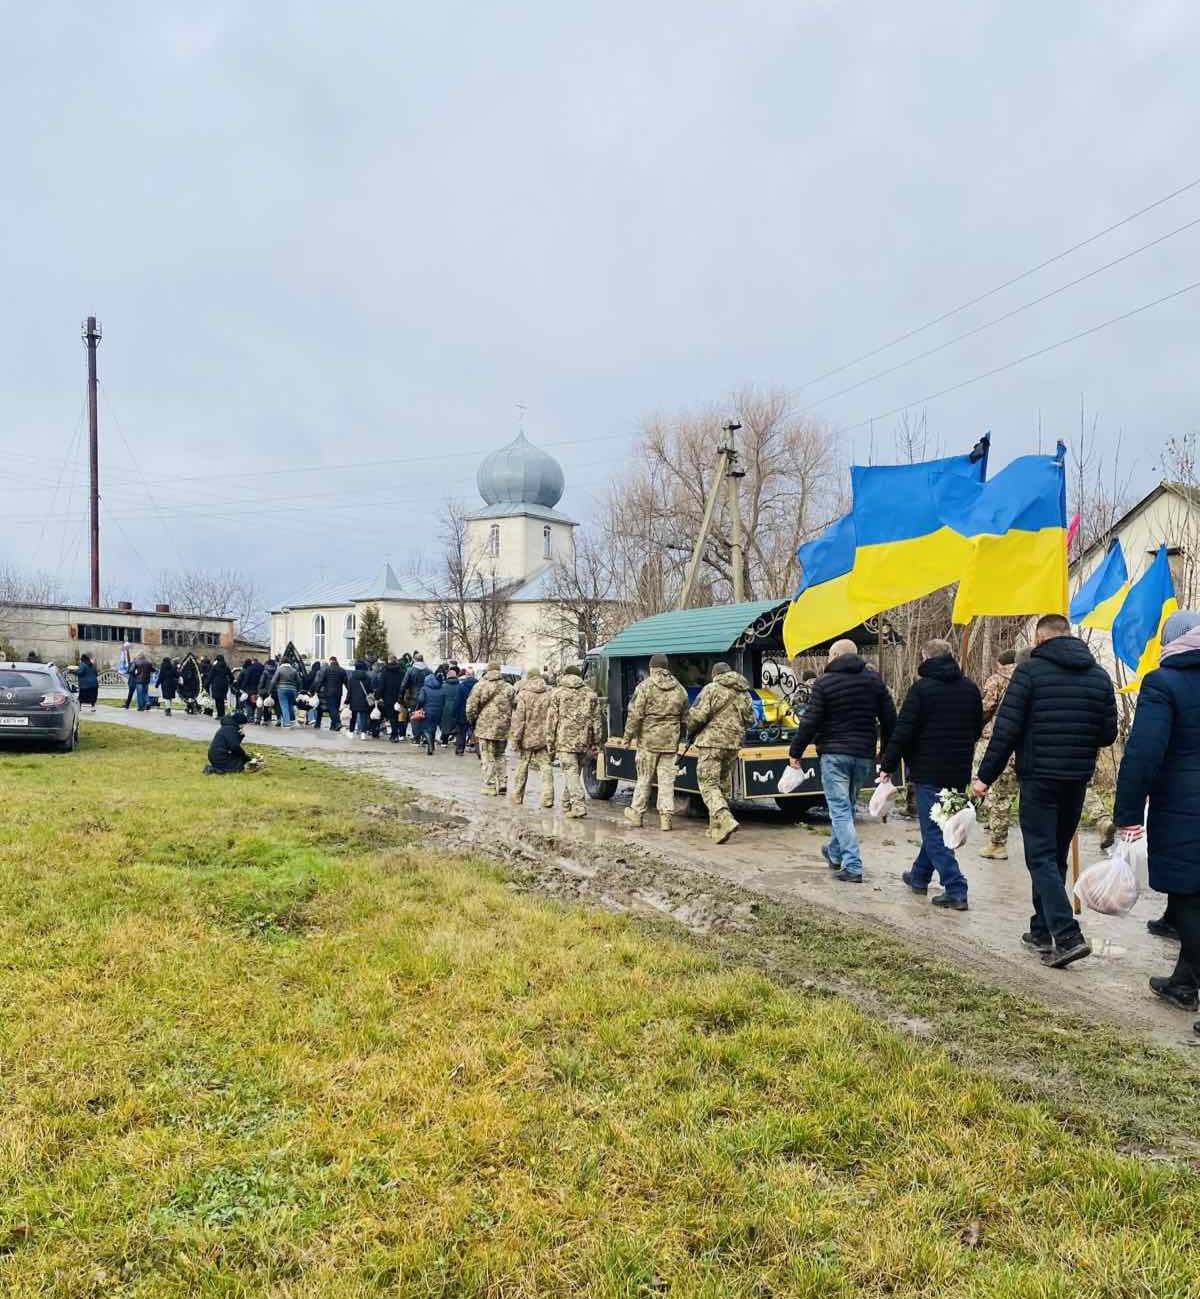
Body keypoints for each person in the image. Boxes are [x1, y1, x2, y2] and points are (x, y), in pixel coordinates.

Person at [974, 613, 1117, 969]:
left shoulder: (1029, 674)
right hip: (1075, 779)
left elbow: (1006, 730)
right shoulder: (1099, 677)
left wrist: (984, 777)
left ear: (1039, 638)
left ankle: (1067, 936)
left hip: (1039, 777)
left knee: (1040, 857)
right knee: (1053, 856)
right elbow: (1108, 735)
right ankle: (1041, 929)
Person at [1113, 610, 1200, 1030]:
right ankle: (1184, 982)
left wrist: (1127, 813)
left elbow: (1144, 752)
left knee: (1187, 898)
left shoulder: (1163, 683)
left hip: (1185, 809)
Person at [879, 639, 982, 911]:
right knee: (938, 824)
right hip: (958, 770)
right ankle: (919, 876)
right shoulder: (970, 689)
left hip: (928, 770)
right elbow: (976, 729)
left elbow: (904, 731)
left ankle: (956, 887)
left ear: (925, 658)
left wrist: (887, 764)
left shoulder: (921, 690)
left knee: (935, 831)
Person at [788, 638, 897, 881]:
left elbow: (811, 720)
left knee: (839, 809)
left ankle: (853, 865)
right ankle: (834, 852)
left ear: (835, 656)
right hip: (863, 754)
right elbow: (890, 718)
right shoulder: (873, 681)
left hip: (834, 754)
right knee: (845, 805)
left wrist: (795, 752)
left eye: (829, 655)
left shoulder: (825, 683)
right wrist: (887, 755)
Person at [685, 660, 756, 843]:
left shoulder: (711, 689)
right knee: (722, 785)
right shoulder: (744, 692)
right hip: (733, 744)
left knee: (708, 784)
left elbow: (697, 716)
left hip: (711, 743)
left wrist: (689, 732)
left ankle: (725, 818)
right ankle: (715, 829)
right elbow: (750, 720)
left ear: (715, 675)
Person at [622, 652, 688, 832]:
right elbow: (685, 718)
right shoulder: (679, 689)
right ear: (666, 669)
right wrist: (679, 737)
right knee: (667, 781)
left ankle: (637, 813)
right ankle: (666, 819)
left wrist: (627, 738)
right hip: (670, 743)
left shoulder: (644, 687)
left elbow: (634, 715)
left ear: (652, 668)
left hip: (648, 743)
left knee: (644, 778)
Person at [977, 648, 1020, 859]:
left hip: (998, 739)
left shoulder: (996, 680)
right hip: (1027, 749)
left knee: (992, 786)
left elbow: (986, 707)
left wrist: (976, 727)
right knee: (1010, 794)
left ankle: (997, 844)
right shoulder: (1029, 677)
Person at [546, 664, 600, 818]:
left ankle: (578, 805)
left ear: (565, 675)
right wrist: (596, 741)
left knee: (570, 772)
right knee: (574, 773)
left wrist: (550, 742)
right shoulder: (591, 694)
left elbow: (551, 721)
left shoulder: (557, 693)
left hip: (564, 741)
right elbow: (597, 721)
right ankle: (566, 803)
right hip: (584, 741)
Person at [466, 662, 515, 794]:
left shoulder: (480, 686)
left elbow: (471, 707)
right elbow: (514, 706)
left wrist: (472, 721)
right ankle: (503, 783)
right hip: (503, 727)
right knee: (500, 755)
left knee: (487, 756)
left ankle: (490, 785)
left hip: (485, 727)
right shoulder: (509, 688)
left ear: (487, 671)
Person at [510, 668, 555, 808]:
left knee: (522, 766)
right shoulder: (550, 694)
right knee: (546, 767)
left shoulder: (523, 695)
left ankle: (517, 796)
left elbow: (519, 719)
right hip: (544, 738)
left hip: (527, 738)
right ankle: (548, 798)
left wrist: (516, 739)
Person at [416, 669, 447, 755]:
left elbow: (421, 700)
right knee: (433, 728)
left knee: (425, 728)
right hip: (439, 711)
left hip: (427, 711)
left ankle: (430, 746)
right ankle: (432, 746)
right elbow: (444, 700)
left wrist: (418, 707)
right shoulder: (441, 688)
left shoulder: (424, 689)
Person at [402, 653, 430, 742]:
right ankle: (425, 736)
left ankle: (416, 737)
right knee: (425, 716)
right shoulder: (429, 671)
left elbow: (404, 684)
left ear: (414, 660)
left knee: (414, 716)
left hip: (413, 697)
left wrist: (400, 696)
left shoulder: (410, 670)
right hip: (426, 697)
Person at [267, 656, 300, 727]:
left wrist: (269, 690)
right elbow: (299, 681)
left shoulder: (279, 669)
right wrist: (298, 690)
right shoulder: (294, 670)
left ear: (282, 662)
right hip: (292, 690)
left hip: (282, 689)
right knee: (290, 705)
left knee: (284, 706)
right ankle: (292, 721)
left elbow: (273, 681)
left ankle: (286, 722)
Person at [381, 656, 407, 742]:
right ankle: (401, 734)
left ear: (389, 661)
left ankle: (394, 734)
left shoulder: (385, 672)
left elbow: (382, 686)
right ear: (396, 661)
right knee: (399, 716)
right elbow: (405, 685)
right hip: (399, 698)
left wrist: (378, 696)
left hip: (388, 698)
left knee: (391, 716)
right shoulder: (402, 672)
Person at [452, 666, 477, 755]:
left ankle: (459, 750)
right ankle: (478, 749)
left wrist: (454, 713)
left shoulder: (461, 686)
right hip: (476, 712)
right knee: (475, 730)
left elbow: (457, 701)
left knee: (461, 732)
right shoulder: (479, 685)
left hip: (463, 712)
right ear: (474, 675)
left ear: (466, 675)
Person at [319, 656, 348, 732]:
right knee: (335, 708)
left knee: (332, 709)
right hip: (338, 693)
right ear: (336, 661)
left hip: (328, 693)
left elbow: (321, 681)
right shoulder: (342, 670)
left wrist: (317, 690)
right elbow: (346, 682)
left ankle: (337, 723)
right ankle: (333, 726)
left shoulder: (327, 669)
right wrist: (350, 691)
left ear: (330, 661)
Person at [346, 659, 372, 739]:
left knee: (353, 717)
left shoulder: (351, 678)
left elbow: (349, 691)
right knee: (363, 717)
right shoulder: (367, 677)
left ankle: (351, 732)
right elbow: (369, 690)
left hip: (354, 701)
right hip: (364, 700)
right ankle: (363, 734)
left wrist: (347, 700)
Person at [439, 668, 461, 748]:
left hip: (446, 707)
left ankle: (444, 742)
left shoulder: (443, 686)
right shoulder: (460, 686)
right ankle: (458, 741)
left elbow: (441, 698)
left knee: (445, 724)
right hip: (457, 707)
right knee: (457, 725)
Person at [208, 654, 232, 719]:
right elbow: (231, 676)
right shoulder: (226, 667)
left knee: (217, 700)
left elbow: (210, 676)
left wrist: (207, 684)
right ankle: (222, 714)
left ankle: (219, 714)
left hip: (216, 684)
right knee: (222, 699)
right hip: (224, 684)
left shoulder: (215, 667)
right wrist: (231, 682)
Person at [119, 641, 137, 709]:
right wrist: (127, 651)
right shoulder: (133, 664)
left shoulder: (133, 664)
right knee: (132, 693)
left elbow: (129, 660)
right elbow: (128, 660)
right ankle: (127, 704)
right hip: (134, 681)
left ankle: (127, 705)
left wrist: (127, 651)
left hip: (133, 681)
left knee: (131, 693)